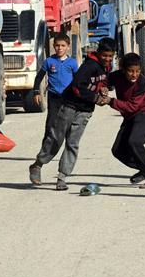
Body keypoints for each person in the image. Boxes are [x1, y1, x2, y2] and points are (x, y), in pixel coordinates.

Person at [29, 38, 116, 191]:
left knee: (73, 143)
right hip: (69, 105)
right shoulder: (89, 66)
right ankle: (38, 164)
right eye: (105, 55)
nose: (107, 59)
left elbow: (103, 82)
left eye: (110, 56)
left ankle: (62, 177)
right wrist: (95, 97)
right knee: (56, 138)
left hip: (85, 111)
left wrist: (103, 89)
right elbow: (77, 87)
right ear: (99, 52)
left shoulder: (106, 67)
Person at [103, 53, 145, 189]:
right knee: (118, 150)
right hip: (130, 116)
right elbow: (105, 81)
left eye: (137, 71)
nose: (134, 75)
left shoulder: (141, 82)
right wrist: (103, 87)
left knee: (135, 142)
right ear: (123, 70)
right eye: (130, 71)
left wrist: (111, 101)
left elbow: (132, 106)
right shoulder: (116, 76)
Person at [32, 33, 78, 146]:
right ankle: (45, 148)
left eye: (63, 45)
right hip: (54, 97)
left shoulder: (72, 63)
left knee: (68, 123)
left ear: (68, 46)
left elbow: (78, 80)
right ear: (53, 46)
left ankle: (68, 147)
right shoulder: (49, 61)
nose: (60, 48)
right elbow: (39, 77)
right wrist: (36, 92)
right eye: (57, 45)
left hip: (68, 97)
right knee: (51, 123)